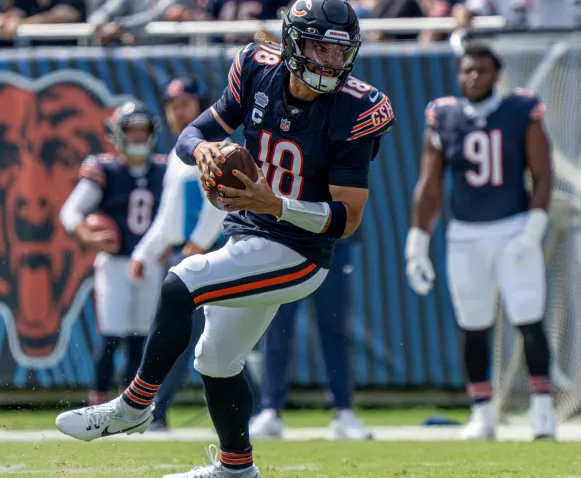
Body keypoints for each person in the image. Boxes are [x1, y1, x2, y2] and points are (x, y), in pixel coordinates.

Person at [56, 1, 393, 476]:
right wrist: (206, 149)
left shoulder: (360, 107)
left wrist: (275, 204)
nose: (330, 63)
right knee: (215, 359)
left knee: (181, 281)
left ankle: (134, 406)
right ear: (293, 44)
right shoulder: (257, 68)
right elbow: (189, 136)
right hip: (247, 237)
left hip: (299, 251)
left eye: (340, 53)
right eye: (320, 48)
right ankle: (237, 469)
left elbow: (347, 219)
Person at [405, 43, 555, 441]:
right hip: (465, 234)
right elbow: (430, 183)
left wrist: (533, 229)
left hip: (513, 227)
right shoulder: (445, 115)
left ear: (496, 74)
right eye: (467, 70)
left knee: (528, 319)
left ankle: (542, 409)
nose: (473, 77)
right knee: (473, 325)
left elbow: (543, 175)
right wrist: (416, 242)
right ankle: (482, 412)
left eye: (482, 70)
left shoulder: (520, 110)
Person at [129, 76, 228, 432]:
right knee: (191, 339)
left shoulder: (218, 143)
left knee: (200, 339)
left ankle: (154, 412)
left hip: (211, 256)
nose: (177, 112)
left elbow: (221, 203)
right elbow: (167, 218)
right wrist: (144, 252)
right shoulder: (176, 155)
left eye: (185, 103)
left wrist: (200, 242)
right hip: (184, 256)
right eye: (172, 105)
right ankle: (156, 412)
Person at [59, 102, 167, 407]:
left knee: (140, 338)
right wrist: (88, 237)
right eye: (130, 131)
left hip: (149, 265)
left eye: (141, 131)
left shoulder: (163, 168)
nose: (136, 138)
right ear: (118, 134)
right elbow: (70, 212)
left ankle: (132, 405)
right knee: (111, 336)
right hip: (115, 263)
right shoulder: (104, 169)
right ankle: (97, 403)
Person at [249, 234, 371, 440]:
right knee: (276, 327)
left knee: (335, 328)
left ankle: (342, 411)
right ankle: (271, 410)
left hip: (331, 240)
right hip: (284, 240)